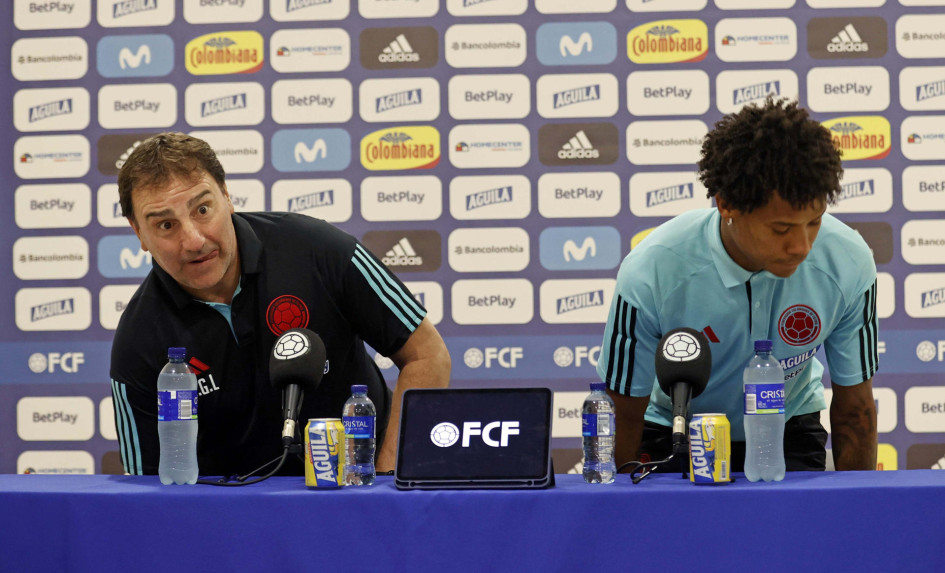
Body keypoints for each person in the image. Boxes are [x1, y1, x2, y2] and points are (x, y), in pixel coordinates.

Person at [110, 132, 451, 478]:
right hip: (234, 516)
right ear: (138, 233)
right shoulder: (138, 339)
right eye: (166, 225)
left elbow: (428, 355)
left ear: (227, 197)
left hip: (357, 492)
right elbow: (148, 486)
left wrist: (385, 482)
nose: (194, 240)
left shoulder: (317, 250)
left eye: (202, 209)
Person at [597, 98, 878, 473]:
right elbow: (624, 412)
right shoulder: (652, 270)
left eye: (814, 222)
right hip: (674, 432)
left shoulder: (848, 261)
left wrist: (856, 515)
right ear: (726, 203)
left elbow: (855, 411)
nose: (802, 246)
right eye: (781, 229)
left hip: (787, 430)